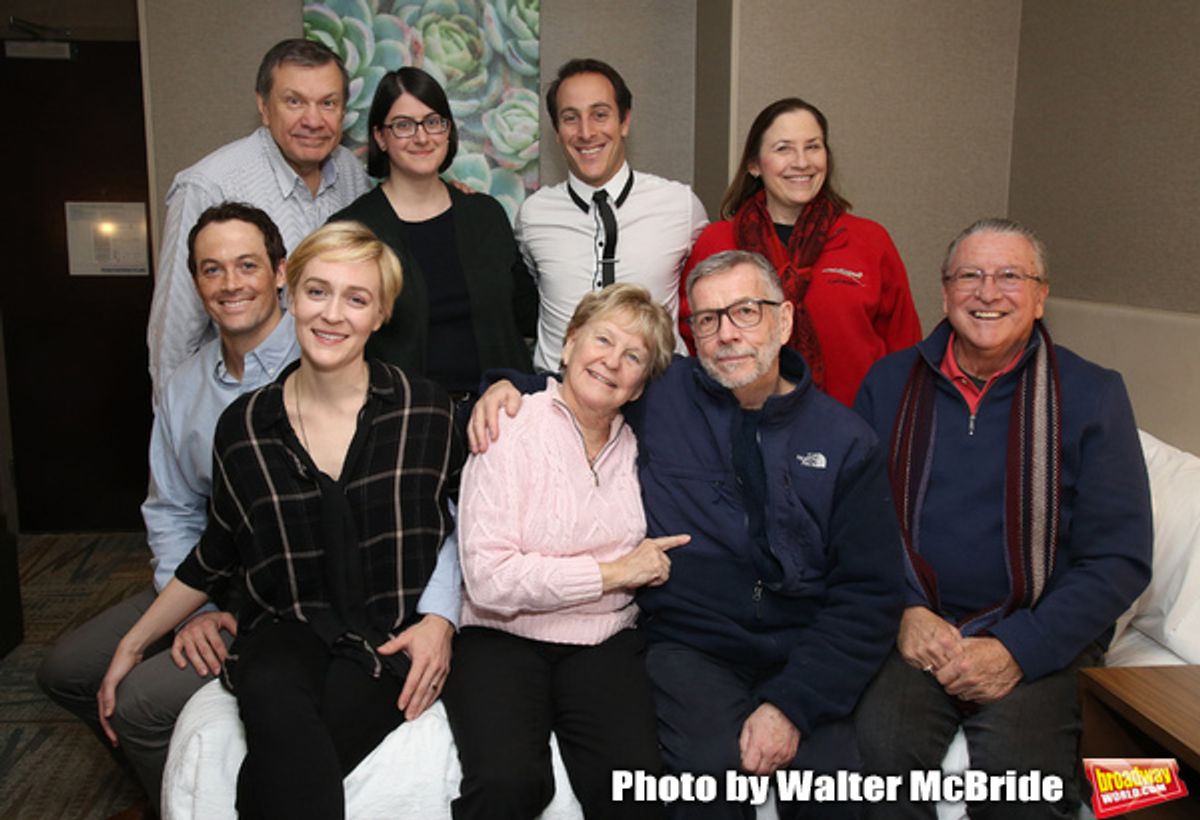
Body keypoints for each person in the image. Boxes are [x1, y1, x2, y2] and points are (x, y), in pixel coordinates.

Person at [471, 250, 903, 820]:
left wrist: (792, 706)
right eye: (707, 319)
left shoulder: (846, 441)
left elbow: (869, 594)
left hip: (805, 646)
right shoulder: (662, 393)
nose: (727, 334)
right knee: (706, 788)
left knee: (835, 794)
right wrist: (501, 385)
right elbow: (584, 385)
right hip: (692, 645)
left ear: (784, 320)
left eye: (746, 311)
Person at [100, 221, 463, 820]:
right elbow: (216, 551)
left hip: (389, 633)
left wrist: (441, 621)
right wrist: (133, 643)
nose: (332, 314)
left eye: (357, 298)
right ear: (290, 294)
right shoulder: (245, 427)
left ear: (381, 315)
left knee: (293, 761)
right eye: (318, 291)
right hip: (283, 627)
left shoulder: (426, 411)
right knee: (270, 690)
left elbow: (465, 526)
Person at [853, 218, 1153, 819]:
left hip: (1038, 635)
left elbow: (1119, 558)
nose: (987, 292)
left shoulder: (1094, 395)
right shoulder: (888, 384)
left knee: (1025, 787)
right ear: (945, 293)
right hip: (916, 629)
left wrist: (1019, 648)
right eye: (970, 275)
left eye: (1010, 276)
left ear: (1041, 297)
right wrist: (902, 611)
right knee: (868, 768)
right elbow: (853, 524)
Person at [37, 203, 297, 816]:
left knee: (139, 702)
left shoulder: (318, 362)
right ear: (197, 282)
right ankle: (169, 785)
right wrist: (192, 612)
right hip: (205, 576)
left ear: (280, 271)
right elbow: (173, 509)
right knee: (66, 671)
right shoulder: (185, 384)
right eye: (212, 269)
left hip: (278, 591)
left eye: (247, 265)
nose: (230, 284)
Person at [444, 284, 684, 820]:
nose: (612, 361)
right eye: (602, 340)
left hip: (604, 641)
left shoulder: (643, 449)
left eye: (633, 357)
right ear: (570, 344)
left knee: (635, 792)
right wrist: (614, 572)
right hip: (501, 637)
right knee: (510, 784)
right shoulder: (508, 423)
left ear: (640, 386)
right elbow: (489, 579)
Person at [147, 38, 371, 400]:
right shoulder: (209, 185)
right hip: (236, 400)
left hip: (331, 401)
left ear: (343, 111)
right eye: (294, 101)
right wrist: (178, 421)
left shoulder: (351, 175)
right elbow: (175, 334)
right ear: (264, 107)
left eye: (327, 103)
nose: (313, 120)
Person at [679, 98, 921, 407]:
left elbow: (904, 350)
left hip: (854, 425)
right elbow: (694, 337)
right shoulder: (717, 242)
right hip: (739, 421)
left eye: (813, 147)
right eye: (784, 149)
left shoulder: (870, 241)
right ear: (754, 165)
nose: (802, 162)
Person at [331, 67, 536, 403]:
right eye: (403, 125)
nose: (422, 137)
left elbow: (527, 313)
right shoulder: (353, 232)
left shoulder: (485, 215)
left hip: (504, 413)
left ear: (448, 129)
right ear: (380, 137)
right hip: (407, 418)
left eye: (433, 122)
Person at [516, 57, 708, 373]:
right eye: (570, 118)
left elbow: (705, 300)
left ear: (625, 121)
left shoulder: (681, 206)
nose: (586, 132)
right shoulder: (533, 215)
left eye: (600, 115)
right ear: (557, 131)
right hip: (558, 391)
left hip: (659, 389)